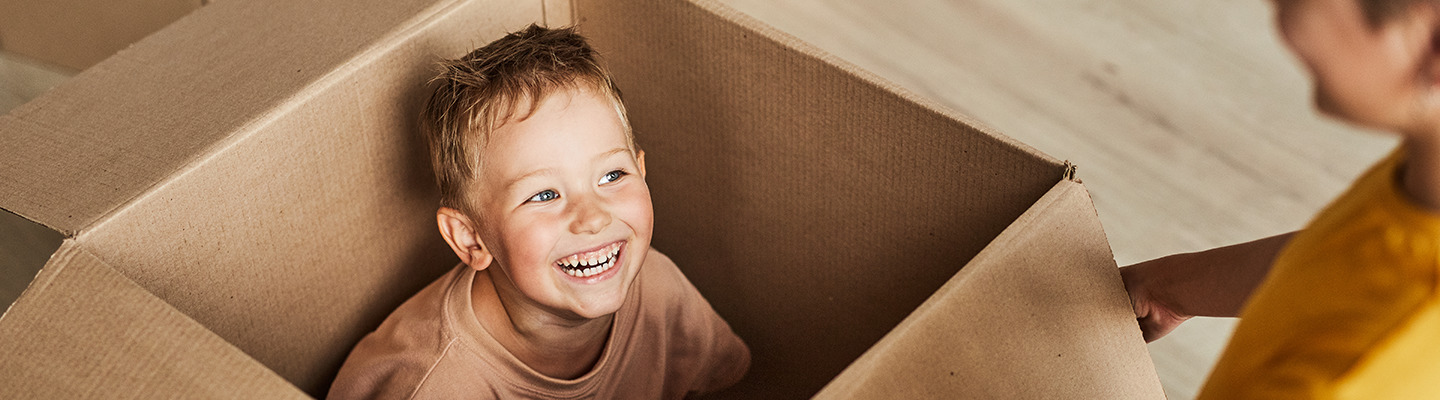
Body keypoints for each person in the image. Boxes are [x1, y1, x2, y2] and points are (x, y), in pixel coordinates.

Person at [328, 24, 750, 399]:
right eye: (545, 195)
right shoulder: (436, 385)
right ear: (471, 238)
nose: (594, 217)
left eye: (612, 175)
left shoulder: (661, 292)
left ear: (642, 171)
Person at [1122, 0, 1440, 397]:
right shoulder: (1429, 173)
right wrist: (1169, 290)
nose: (1278, 15)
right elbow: (1358, 257)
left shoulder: (1333, 379)